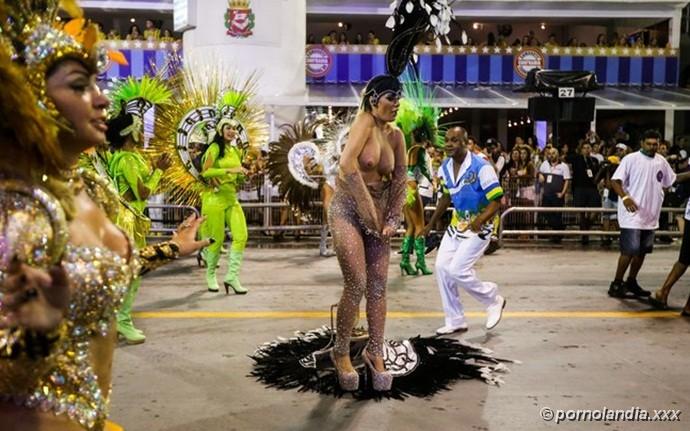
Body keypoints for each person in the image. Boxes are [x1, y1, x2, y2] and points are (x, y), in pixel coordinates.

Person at [0, 6, 208, 429]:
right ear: (31, 100)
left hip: (94, 416)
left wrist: (173, 248)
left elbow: (108, 270)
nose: (101, 99)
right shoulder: (19, 212)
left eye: (96, 82)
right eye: (80, 86)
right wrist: (35, 339)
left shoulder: (91, 188)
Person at [329, 74, 406, 392]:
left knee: (377, 287)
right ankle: (341, 351)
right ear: (374, 99)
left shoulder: (397, 135)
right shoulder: (363, 120)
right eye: (391, 97)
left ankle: (375, 350)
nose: (396, 104)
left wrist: (393, 217)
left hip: (377, 217)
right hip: (348, 210)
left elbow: (401, 177)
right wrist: (370, 213)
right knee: (357, 282)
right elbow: (346, 166)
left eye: (399, 98)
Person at [106, 77, 172, 344]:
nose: (142, 132)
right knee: (133, 272)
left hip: (129, 218)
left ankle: (115, 321)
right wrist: (159, 170)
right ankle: (121, 322)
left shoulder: (127, 158)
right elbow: (142, 193)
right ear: (128, 133)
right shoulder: (128, 160)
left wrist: (156, 169)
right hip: (128, 221)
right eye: (138, 127)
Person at [424, 126, 506, 335]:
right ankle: (455, 319)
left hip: (480, 227)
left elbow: (496, 201)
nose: (449, 144)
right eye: (447, 140)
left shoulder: (481, 166)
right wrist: (431, 223)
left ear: (466, 142)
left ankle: (493, 299)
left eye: (455, 140)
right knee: (442, 268)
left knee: (457, 270)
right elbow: (446, 197)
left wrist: (480, 220)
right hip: (456, 226)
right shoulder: (445, 166)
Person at [608, 130, 676, 298]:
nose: (653, 147)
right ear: (642, 143)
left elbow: (672, 180)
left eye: (656, 144)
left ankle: (631, 281)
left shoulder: (661, 161)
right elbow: (615, 181)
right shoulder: (631, 159)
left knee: (642, 252)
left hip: (650, 215)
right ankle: (616, 283)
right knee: (629, 251)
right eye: (649, 144)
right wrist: (625, 198)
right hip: (632, 215)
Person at [200, 117, 250, 295]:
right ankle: (211, 274)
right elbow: (205, 172)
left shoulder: (235, 151)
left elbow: (238, 176)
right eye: (228, 127)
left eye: (234, 128)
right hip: (214, 198)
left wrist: (244, 174)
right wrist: (229, 170)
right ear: (221, 130)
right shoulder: (214, 148)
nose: (232, 131)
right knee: (217, 239)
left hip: (231, 197)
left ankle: (232, 276)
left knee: (241, 235)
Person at [569, 141, 601, 244]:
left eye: (588, 147)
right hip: (579, 188)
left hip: (592, 188)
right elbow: (566, 157)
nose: (587, 149)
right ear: (581, 149)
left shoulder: (594, 160)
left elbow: (597, 173)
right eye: (584, 148)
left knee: (595, 210)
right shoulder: (576, 159)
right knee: (581, 212)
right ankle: (584, 235)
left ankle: (587, 225)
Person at [538, 147, 571, 243]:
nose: (551, 155)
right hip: (547, 194)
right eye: (550, 153)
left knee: (557, 215)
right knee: (545, 213)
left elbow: (566, 181)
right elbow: (539, 173)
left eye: (553, 153)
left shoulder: (564, 166)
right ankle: (560, 228)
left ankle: (557, 236)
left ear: (558, 154)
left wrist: (562, 193)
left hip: (557, 195)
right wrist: (539, 174)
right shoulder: (545, 164)